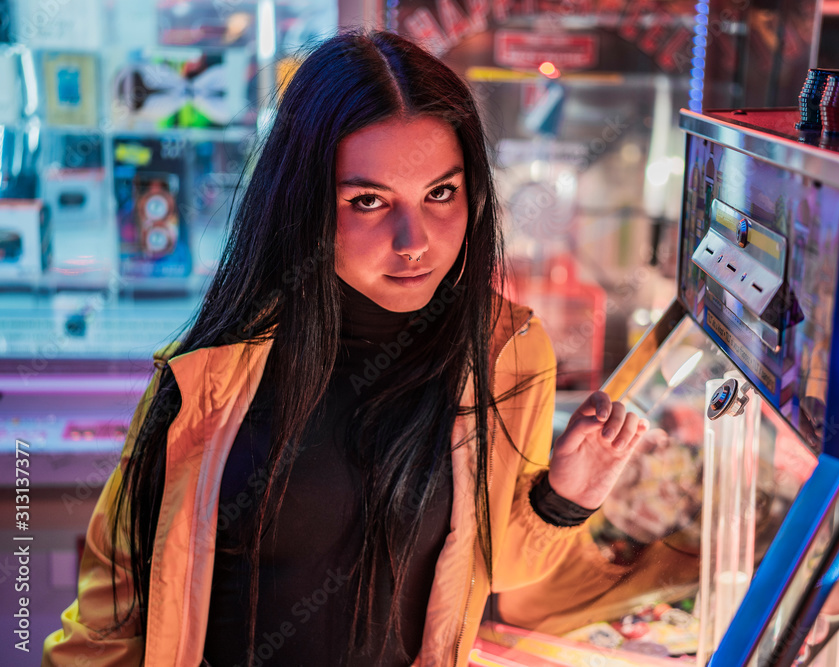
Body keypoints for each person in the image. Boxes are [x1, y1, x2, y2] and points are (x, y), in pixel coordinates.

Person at [41, 29, 647, 667]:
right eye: (368, 201)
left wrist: (566, 497)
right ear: (303, 205)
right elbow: (111, 614)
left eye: (441, 193)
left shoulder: (506, 352)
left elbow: (499, 566)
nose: (413, 241)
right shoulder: (207, 375)